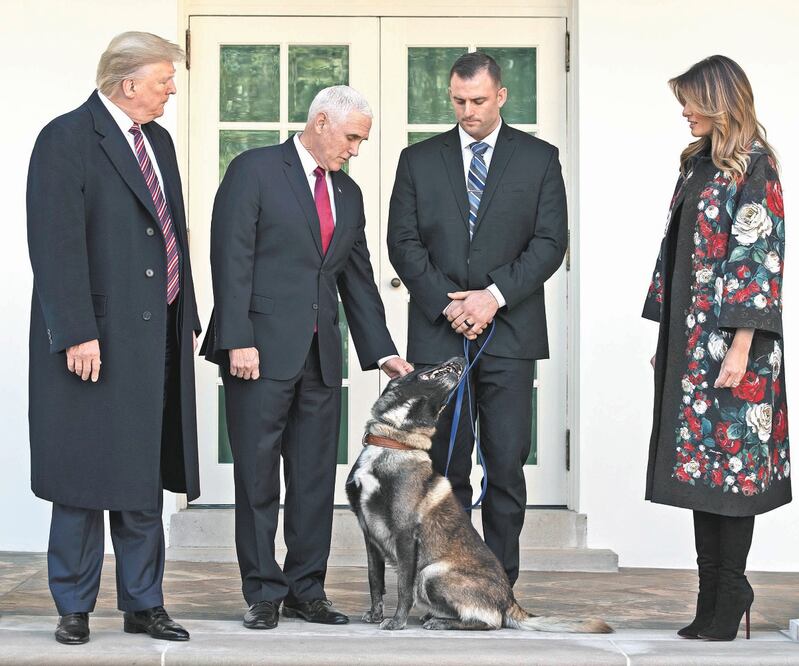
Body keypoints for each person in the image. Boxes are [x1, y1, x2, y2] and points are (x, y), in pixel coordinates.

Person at [202, 85, 412, 630]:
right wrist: (237, 339)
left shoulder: (349, 194)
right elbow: (231, 259)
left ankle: (306, 590)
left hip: (322, 357)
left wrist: (383, 352)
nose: (356, 150)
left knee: (316, 478)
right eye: (351, 138)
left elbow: (357, 279)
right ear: (321, 122)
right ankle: (263, 592)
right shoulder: (254, 170)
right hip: (259, 353)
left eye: (361, 141)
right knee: (256, 478)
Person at [26, 32, 202, 645]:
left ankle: (143, 603)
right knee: (81, 475)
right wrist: (76, 331)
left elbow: (169, 234)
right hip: (93, 340)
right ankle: (73, 607)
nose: (171, 90)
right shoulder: (66, 138)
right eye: (163, 81)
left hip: (154, 335)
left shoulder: (158, 141)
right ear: (128, 84)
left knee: (140, 474)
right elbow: (55, 244)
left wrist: (188, 314)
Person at [387, 52, 568, 587]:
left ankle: (499, 586)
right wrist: (452, 304)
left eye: (478, 101)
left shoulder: (538, 158)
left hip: (509, 336)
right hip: (440, 336)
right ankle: (449, 583)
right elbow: (403, 242)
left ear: (501, 97)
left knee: (506, 465)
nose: (467, 111)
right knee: (444, 468)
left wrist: (491, 297)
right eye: (458, 101)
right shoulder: (418, 160)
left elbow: (550, 243)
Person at [643, 55, 790, 641]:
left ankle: (730, 592)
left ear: (720, 100)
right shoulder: (698, 164)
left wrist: (740, 346)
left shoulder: (757, 166)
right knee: (703, 472)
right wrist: (666, 336)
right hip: (692, 339)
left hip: (737, 346)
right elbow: (674, 250)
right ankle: (711, 597)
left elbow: (758, 258)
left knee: (734, 471)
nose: (684, 112)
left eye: (691, 101)